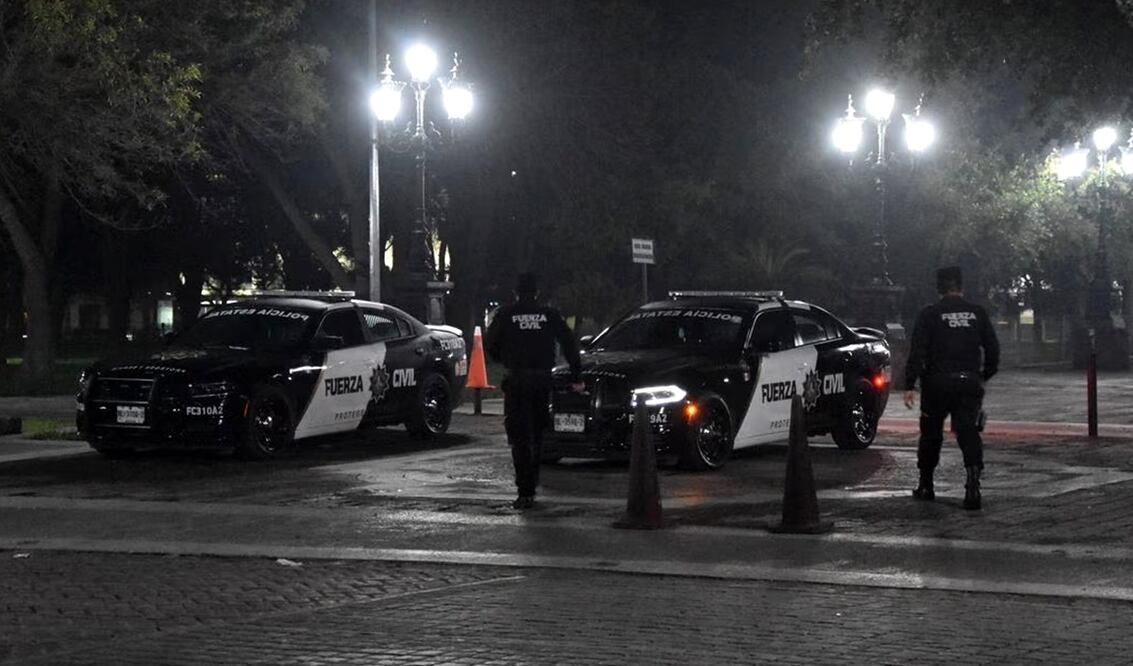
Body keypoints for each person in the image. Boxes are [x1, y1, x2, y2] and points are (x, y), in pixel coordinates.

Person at [903, 266, 1000, 510]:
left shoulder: (930, 314)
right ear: (961, 286)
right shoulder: (977, 313)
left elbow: (918, 351)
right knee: (968, 432)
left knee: (931, 433)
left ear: (939, 288)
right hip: (968, 381)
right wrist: (982, 375)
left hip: (936, 383)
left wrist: (909, 384)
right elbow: (993, 349)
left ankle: (926, 484)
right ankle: (973, 483)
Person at [485, 272, 583, 510]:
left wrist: (504, 359)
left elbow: (490, 344)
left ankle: (524, 490)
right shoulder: (549, 315)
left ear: (515, 292)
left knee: (519, 438)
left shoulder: (506, 315)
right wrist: (576, 374)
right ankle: (534, 479)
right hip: (541, 380)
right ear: (537, 292)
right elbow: (569, 342)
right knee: (538, 434)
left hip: (517, 380)